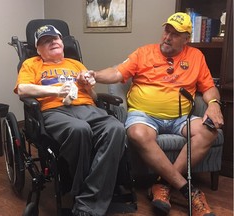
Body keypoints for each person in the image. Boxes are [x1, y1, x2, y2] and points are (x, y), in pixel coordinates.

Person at [80, 12, 224, 216]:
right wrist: (95, 74)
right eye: (167, 30)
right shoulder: (144, 53)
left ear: (186, 39)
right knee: (137, 133)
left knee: (210, 131)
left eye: (175, 34)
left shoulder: (196, 57)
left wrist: (214, 103)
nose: (167, 37)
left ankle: (162, 185)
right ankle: (188, 190)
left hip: (180, 117)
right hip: (144, 116)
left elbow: (208, 87)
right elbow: (118, 73)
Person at [14, 24, 125, 216]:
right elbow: (23, 89)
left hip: (87, 108)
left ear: (62, 43)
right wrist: (56, 90)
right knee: (79, 130)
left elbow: (95, 98)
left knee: (116, 128)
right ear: (39, 50)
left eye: (55, 38)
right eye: (45, 41)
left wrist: (88, 85)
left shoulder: (76, 65)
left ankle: (86, 200)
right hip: (55, 111)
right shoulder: (32, 64)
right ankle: (90, 197)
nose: (53, 42)